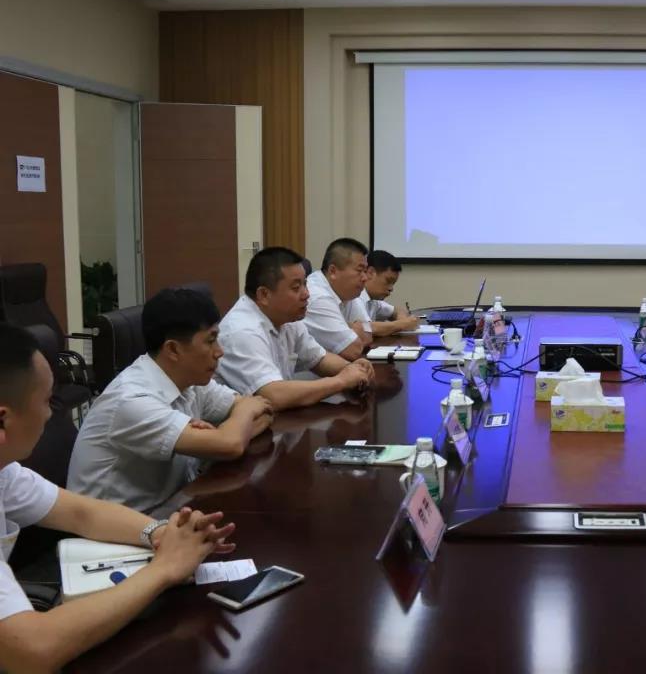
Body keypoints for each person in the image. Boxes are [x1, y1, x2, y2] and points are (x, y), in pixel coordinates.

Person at [0, 323, 236, 672]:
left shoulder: (5, 471)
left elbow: (81, 512)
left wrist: (162, 534)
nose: (52, 414)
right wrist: (165, 569)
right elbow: (31, 651)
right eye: (48, 401)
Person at [67, 288, 274, 512]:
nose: (219, 351)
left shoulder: (191, 381)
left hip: (171, 508)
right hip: (114, 527)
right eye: (210, 341)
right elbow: (232, 443)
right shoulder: (131, 401)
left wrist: (224, 434)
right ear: (173, 349)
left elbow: (264, 413)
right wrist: (231, 429)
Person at [216, 247, 375, 410]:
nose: (306, 294)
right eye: (296, 288)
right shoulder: (242, 332)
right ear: (264, 295)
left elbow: (318, 358)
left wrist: (352, 369)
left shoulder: (288, 318)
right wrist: (341, 381)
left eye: (305, 284)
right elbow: (273, 395)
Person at [304, 238, 375, 361]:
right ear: (333, 271)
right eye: (359, 270)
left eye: (365, 271)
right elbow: (353, 350)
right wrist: (353, 329)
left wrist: (352, 330)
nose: (365, 278)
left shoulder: (347, 292)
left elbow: (368, 334)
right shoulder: (317, 298)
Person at [359, 250, 419, 337]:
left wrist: (402, 319)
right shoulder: (355, 297)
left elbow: (398, 310)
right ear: (371, 273)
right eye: (388, 281)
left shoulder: (374, 300)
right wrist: (401, 324)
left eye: (393, 283)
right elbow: (366, 328)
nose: (391, 288)